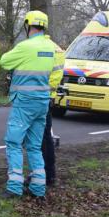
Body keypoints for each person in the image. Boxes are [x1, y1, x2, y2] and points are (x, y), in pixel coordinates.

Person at [0, 10, 56, 199]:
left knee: (14, 142)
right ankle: (38, 188)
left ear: (28, 25)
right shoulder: (50, 47)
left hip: (25, 101)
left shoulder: (25, 46)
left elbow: (4, 62)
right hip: (42, 102)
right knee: (34, 146)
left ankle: (14, 187)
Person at [43, 35, 65, 187]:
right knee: (46, 137)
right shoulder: (58, 49)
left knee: (42, 138)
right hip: (50, 95)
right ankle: (50, 174)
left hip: (39, 95)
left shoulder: (40, 47)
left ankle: (46, 174)